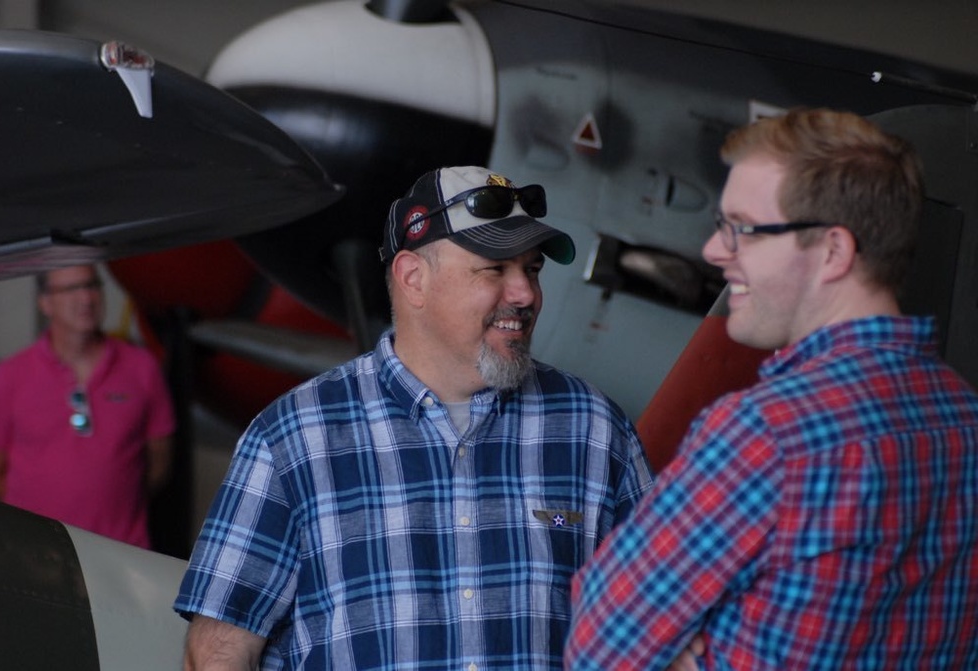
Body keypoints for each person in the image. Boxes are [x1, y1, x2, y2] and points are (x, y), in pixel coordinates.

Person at [174, 165, 653, 669]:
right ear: (413, 279)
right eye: (495, 268)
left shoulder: (595, 429)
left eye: (531, 269)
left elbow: (660, 623)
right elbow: (219, 652)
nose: (525, 294)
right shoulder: (295, 438)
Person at [564, 107, 978, 670]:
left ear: (833, 251)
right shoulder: (964, 420)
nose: (714, 250)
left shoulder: (766, 436)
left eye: (745, 228)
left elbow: (602, 649)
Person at [0, 264, 176, 549]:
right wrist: (38, 510)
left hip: (122, 555)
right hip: (34, 553)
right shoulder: (7, 377)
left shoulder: (142, 368)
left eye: (92, 285)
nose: (86, 298)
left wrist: (110, 496)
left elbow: (160, 462)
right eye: (71, 289)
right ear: (45, 302)